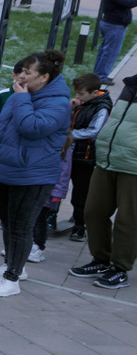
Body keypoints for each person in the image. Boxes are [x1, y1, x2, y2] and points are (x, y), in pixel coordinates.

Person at [0, 50, 71, 298]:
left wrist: (22, 99)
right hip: (4, 170)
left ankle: (12, 278)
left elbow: (32, 127)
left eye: (28, 72)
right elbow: (1, 131)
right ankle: (12, 265)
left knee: (20, 227)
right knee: (7, 222)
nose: (21, 76)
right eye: (21, 71)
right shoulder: (21, 95)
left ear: (45, 77)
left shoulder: (57, 102)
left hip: (31, 176)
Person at [73, 74, 137, 291]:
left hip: (133, 167)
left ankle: (120, 268)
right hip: (107, 160)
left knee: (127, 220)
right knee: (93, 212)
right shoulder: (131, 85)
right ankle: (101, 260)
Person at [62, 72, 112, 239]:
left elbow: (94, 131)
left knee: (81, 192)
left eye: (81, 94)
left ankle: (79, 225)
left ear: (94, 92)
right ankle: (51, 220)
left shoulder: (101, 108)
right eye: (76, 93)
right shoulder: (82, 103)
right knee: (58, 187)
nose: (78, 97)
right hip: (69, 153)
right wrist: (71, 108)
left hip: (85, 156)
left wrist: (70, 135)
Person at [97, 0, 135, 78]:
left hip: (109, 24)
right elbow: (128, 4)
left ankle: (98, 74)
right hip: (114, 26)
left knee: (105, 51)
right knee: (111, 52)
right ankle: (101, 76)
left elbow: (125, 2)